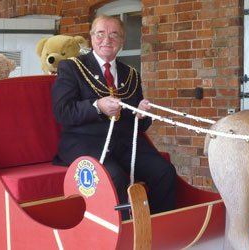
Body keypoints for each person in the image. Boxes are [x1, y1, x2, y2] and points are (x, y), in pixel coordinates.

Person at [51, 15, 176, 215]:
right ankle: (126, 236)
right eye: (100, 34)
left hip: (125, 143)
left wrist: (141, 115)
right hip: (84, 143)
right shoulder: (72, 67)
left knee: (164, 172)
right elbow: (62, 111)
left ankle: (158, 230)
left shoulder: (131, 74)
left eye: (113, 34)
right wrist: (97, 106)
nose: (106, 40)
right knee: (114, 176)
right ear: (91, 38)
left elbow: (139, 124)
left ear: (122, 41)